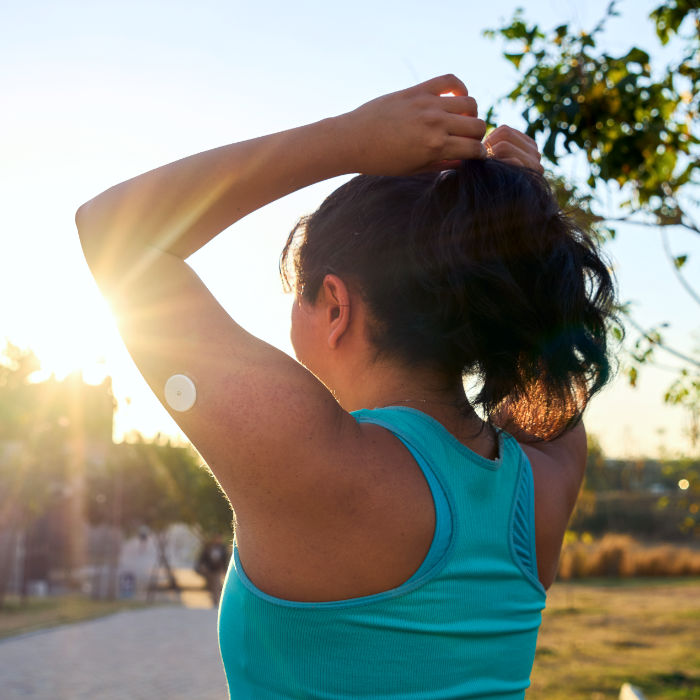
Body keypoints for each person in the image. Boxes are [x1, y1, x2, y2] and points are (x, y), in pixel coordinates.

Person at [76, 74, 621, 699]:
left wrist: (345, 139)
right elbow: (542, 347)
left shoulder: (314, 461)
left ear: (335, 306)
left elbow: (110, 230)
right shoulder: (543, 481)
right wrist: (523, 216)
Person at [195, 534, 230, 606]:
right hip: (209, 569)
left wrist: (225, 569)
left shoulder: (223, 549)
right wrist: (202, 566)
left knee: (216, 584)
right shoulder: (209, 547)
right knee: (211, 584)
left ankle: (216, 601)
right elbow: (203, 558)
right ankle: (213, 598)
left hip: (217, 570)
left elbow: (225, 560)